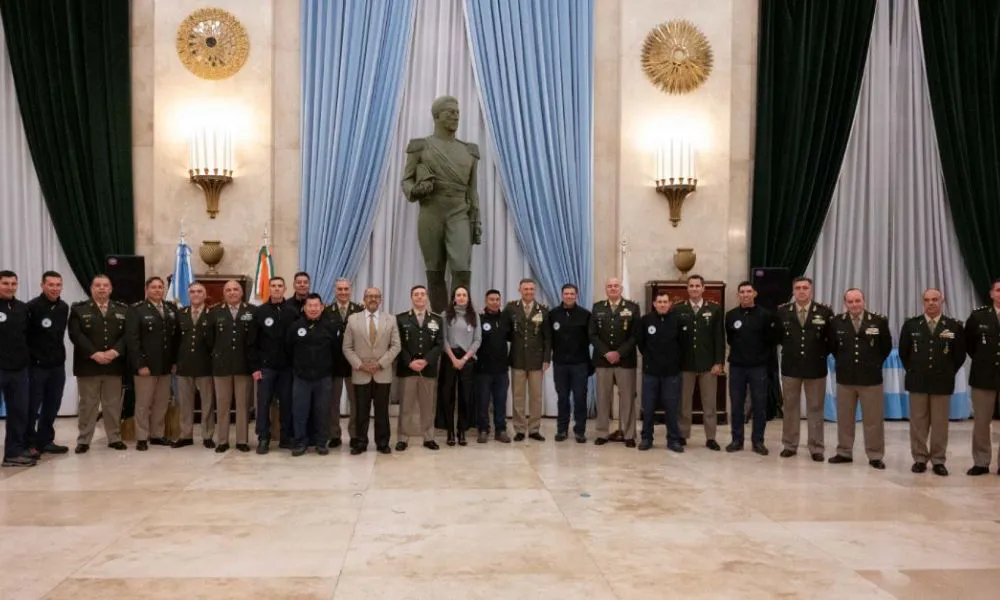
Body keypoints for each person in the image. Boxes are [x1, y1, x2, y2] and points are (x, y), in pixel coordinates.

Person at [401, 95, 481, 313]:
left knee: (461, 268)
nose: (456, 116)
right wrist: (415, 190)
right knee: (434, 269)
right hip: (431, 211)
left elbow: (473, 190)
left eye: (457, 112)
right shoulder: (420, 146)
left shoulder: (469, 151)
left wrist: (476, 220)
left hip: (459, 211)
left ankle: (460, 317)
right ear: (436, 116)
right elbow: (406, 180)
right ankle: (437, 319)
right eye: (450, 112)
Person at [898, 288, 966, 476]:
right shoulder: (912, 325)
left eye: (935, 299)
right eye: (927, 300)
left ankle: (938, 460)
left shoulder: (953, 326)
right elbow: (904, 353)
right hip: (917, 380)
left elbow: (959, 355)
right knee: (918, 423)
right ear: (923, 302)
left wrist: (947, 371)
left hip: (942, 382)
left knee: (940, 423)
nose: (931, 303)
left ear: (941, 301)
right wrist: (914, 370)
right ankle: (919, 459)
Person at [828, 288, 892, 469]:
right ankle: (844, 452)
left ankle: (875, 455)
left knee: (873, 420)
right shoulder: (836, 322)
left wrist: (872, 363)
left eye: (857, 301)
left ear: (864, 301)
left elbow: (885, 347)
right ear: (845, 304)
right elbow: (834, 347)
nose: (854, 305)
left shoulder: (878, 321)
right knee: (845, 418)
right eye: (850, 302)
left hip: (870, 378)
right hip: (845, 378)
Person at [69, 274, 129, 454]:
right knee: (88, 404)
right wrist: (94, 354)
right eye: (98, 285)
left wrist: (114, 352)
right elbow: (76, 335)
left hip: (113, 364)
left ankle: (114, 438)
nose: (102, 288)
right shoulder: (78, 309)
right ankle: (84, 440)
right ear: (92, 289)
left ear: (111, 289)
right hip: (88, 365)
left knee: (112, 404)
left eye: (105, 285)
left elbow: (128, 335)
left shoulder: (123, 309)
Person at [776, 276, 834, 461]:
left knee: (815, 408)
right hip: (790, 367)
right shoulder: (783, 312)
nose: (802, 291)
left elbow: (831, 340)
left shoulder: (824, 312)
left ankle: (816, 447)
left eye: (805, 288)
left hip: (815, 367)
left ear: (811, 290)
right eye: (798, 288)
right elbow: (777, 337)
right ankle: (790, 444)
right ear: (793, 291)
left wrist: (819, 354)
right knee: (790, 407)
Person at [342, 287, 400, 454]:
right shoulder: (353, 320)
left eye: (376, 296)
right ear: (364, 299)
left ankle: (382, 443)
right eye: (369, 296)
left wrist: (380, 364)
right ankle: (360, 442)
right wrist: (360, 365)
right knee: (361, 411)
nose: (373, 299)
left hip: (383, 373)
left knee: (382, 411)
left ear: (380, 299)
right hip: (361, 373)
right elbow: (347, 347)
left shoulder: (390, 320)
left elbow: (396, 346)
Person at [725, 281, 781, 455]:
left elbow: (771, 340)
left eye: (749, 291)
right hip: (737, 367)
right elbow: (730, 339)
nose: (745, 294)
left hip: (758, 367)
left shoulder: (765, 315)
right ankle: (737, 440)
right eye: (742, 292)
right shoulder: (731, 315)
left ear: (755, 294)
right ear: (738, 295)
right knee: (736, 405)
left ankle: (758, 441)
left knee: (759, 405)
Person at [125, 276, 178, 451]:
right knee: (143, 403)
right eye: (153, 287)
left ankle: (157, 435)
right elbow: (133, 340)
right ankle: (141, 437)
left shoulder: (170, 308)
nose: (157, 290)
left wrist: (174, 362)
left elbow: (174, 339)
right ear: (147, 290)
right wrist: (140, 364)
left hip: (165, 366)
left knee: (161, 403)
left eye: (160, 287)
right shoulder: (137, 310)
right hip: (146, 366)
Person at [205, 280, 258, 453]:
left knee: (243, 405)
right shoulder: (214, 313)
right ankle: (222, 440)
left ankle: (242, 440)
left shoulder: (252, 311)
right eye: (228, 290)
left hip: (244, 365)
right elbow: (209, 340)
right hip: (221, 366)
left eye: (236, 289)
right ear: (224, 293)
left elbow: (255, 339)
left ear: (242, 293)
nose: (232, 292)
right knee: (222, 405)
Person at [674, 274, 724, 451]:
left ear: (703, 289)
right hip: (685, 365)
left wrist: (719, 362)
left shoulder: (715, 309)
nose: (694, 289)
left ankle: (711, 438)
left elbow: (719, 338)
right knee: (684, 404)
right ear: (687, 289)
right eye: (691, 286)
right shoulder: (679, 309)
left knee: (709, 404)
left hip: (708, 365)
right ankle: (682, 435)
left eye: (697, 286)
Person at [590, 277, 641, 447]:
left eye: (616, 286)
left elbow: (635, 335)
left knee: (627, 399)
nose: (613, 288)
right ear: (606, 289)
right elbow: (592, 334)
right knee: (603, 398)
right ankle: (602, 433)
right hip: (603, 361)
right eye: (610, 286)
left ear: (621, 288)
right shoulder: (597, 308)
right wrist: (606, 353)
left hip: (625, 361)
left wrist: (619, 353)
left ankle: (628, 434)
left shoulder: (632, 308)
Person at [252, 277, 298, 454]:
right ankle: (263, 437)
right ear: (269, 289)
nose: (277, 289)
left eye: (280, 286)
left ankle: (286, 437)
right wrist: (255, 367)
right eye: (273, 286)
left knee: (287, 403)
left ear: (285, 288)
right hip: (266, 367)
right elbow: (253, 342)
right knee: (263, 403)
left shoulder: (292, 311)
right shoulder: (260, 311)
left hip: (287, 368)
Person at [286, 294, 337, 456]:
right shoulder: (295, 326)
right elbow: (288, 350)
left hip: (323, 378)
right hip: (301, 378)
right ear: (304, 308)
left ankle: (321, 442)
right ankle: (301, 442)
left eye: (316, 306)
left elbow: (336, 351)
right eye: (310, 306)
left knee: (322, 412)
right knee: (300, 411)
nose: (313, 309)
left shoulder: (330, 326)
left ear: (322, 308)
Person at [26, 271, 70, 455]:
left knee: (53, 405)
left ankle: (45, 440)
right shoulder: (31, 307)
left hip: (57, 366)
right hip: (36, 366)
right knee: (32, 406)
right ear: (42, 285)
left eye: (58, 285)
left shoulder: (64, 307)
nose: (54, 288)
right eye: (51, 284)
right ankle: (29, 443)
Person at [395, 285, 444, 451]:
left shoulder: (437, 320)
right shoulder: (401, 319)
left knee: (427, 406)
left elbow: (439, 344)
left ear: (427, 297)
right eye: (416, 294)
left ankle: (428, 437)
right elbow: (398, 344)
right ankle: (403, 438)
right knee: (406, 406)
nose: (420, 297)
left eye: (423, 294)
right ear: (411, 298)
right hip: (407, 369)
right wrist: (409, 362)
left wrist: (426, 361)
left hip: (428, 369)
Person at [637, 291, 685, 452]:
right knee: (648, 407)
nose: (662, 304)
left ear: (670, 304)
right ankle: (646, 438)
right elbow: (641, 344)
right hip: (651, 372)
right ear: (654, 304)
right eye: (659, 302)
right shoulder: (646, 321)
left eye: (665, 302)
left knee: (671, 408)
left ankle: (673, 440)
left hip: (671, 373)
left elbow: (681, 346)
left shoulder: (677, 320)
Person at [506, 278, 550, 442]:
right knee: (518, 396)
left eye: (531, 289)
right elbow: (505, 330)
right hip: (517, 359)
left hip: (536, 360)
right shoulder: (511, 308)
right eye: (526, 289)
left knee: (536, 396)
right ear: (520, 290)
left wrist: (546, 359)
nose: (529, 292)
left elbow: (547, 338)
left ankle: (533, 429)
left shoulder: (543, 310)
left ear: (535, 291)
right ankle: (519, 429)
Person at [173, 281, 216, 449]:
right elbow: (175, 340)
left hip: (206, 365)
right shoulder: (181, 314)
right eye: (192, 292)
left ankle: (207, 435)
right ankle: (185, 435)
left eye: (199, 291)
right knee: (184, 403)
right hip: (184, 365)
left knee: (207, 404)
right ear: (188, 295)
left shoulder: (212, 314)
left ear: (205, 295)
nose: (196, 294)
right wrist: (174, 362)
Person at [964, 278, 1000, 476]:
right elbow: (969, 344)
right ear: (991, 294)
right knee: (981, 421)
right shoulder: (978, 317)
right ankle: (981, 461)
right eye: (998, 290)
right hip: (983, 375)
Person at [323, 278, 364, 448]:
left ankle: (354, 434)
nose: (343, 292)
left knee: (356, 402)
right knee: (333, 402)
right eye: (340, 289)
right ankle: (334, 434)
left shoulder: (359, 310)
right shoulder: (326, 312)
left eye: (346, 289)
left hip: (354, 365)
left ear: (351, 290)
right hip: (334, 364)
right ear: (335, 291)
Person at [549, 283, 591, 443]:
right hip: (560, 364)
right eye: (566, 294)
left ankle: (580, 431)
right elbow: (550, 339)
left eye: (572, 294)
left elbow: (590, 339)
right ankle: (561, 430)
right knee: (562, 398)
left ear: (576, 295)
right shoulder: (553, 314)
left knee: (580, 398)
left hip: (580, 363)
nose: (569, 296)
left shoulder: (585, 315)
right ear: (562, 295)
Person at [0, 270, 34, 467]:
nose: (10, 287)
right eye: (5, 283)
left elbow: (28, 337)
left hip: (19, 370)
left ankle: (13, 453)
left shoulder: (22, 308)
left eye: (13, 283)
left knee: (19, 412)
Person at [441, 285, 481, 446]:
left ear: (468, 297)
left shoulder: (474, 315)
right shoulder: (446, 315)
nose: (462, 297)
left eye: (464, 294)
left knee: (465, 396)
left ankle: (461, 431)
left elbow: (477, 340)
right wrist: (453, 359)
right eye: (458, 294)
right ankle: (450, 431)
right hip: (449, 358)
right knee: (447, 396)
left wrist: (464, 359)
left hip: (467, 359)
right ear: (454, 298)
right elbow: (442, 339)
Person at [476, 289, 511, 443]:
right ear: (486, 301)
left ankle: (501, 430)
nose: (495, 302)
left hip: (501, 370)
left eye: (497, 299)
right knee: (483, 401)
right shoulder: (479, 319)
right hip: (483, 369)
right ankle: (483, 429)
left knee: (500, 401)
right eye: (491, 299)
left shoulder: (506, 318)